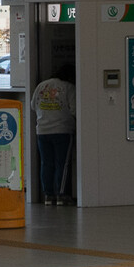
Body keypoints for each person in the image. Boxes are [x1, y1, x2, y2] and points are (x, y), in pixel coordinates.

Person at [31, 63, 76, 206]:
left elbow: (33, 105)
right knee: (62, 164)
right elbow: (75, 109)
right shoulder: (69, 87)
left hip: (42, 131)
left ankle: (48, 195)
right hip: (62, 130)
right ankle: (62, 195)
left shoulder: (42, 86)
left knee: (46, 163)